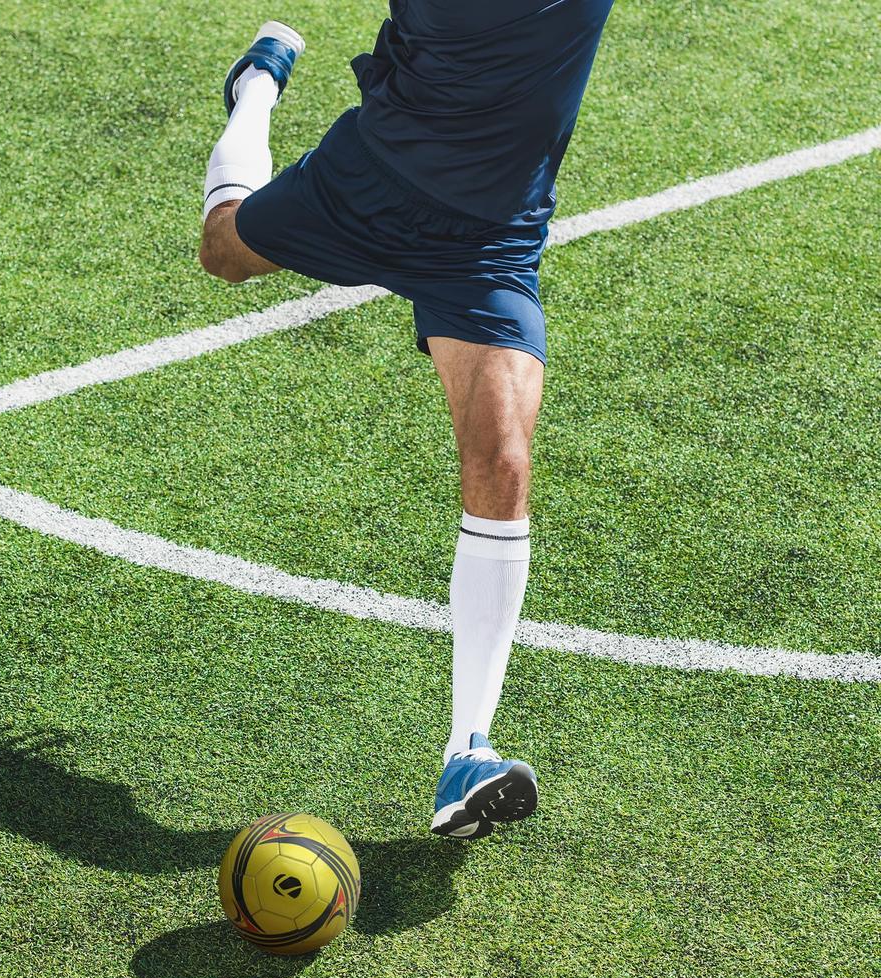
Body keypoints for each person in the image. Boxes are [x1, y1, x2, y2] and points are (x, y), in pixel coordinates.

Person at [199, 2, 615, 839]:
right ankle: (256, 89)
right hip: (373, 179)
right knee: (225, 250)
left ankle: (468, 751)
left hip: (489, 236)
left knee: (503, 461)